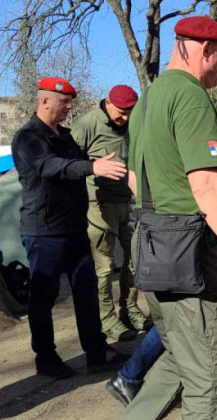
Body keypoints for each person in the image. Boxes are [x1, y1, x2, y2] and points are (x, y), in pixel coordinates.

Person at [89, 16, 217, 420]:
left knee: (176, 360)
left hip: (152, 248)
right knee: (211, 378)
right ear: (203, 50)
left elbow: (132, 175)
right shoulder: (189, 96)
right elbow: (205, 184)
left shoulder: (148, 101)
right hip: (187, 256)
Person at [11, 77, 129, 379]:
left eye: (70, 101)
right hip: (44, 231)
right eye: (64, 102)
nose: (69, 107)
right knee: (43, 297)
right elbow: (50, 167)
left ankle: (96, 352)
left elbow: (77, 162)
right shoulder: (28, 137)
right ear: (45, 101)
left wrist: (97, 163)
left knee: (86, 291)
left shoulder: (64, 135)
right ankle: (46, 358)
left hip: (74, 229)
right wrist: (93, 167)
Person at [71, 84, 148, 342]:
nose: (125, 118)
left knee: (134, 259)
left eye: (130, 113)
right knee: (103, 268)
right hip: (98, 206)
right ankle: (107, 319)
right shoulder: (87, 124)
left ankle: (131, 309)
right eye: (122, 113)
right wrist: (94, 167)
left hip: (128, 202)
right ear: (108, 104)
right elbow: (71, 164)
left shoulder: (131, 124)